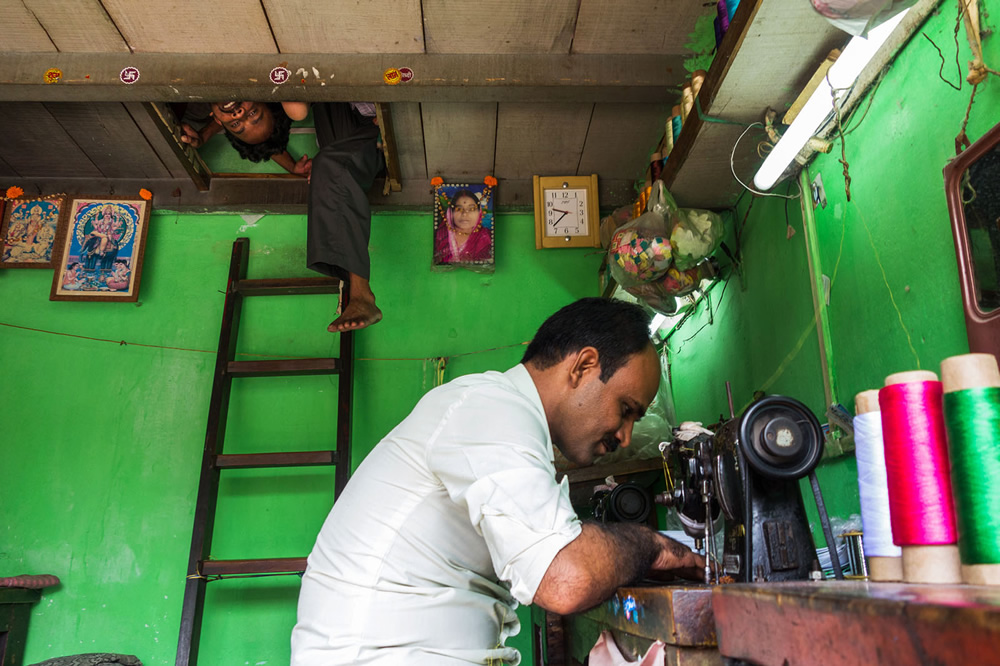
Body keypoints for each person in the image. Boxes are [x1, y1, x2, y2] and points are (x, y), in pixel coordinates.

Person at [290, 298, 704, 665]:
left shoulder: (500, 413)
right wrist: (652, 547)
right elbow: (565, 578)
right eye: (626, 409)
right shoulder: (495, 410)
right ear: (582, 366)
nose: (625, 436)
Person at [180, 101, 383, 332]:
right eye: (243, 120)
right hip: (363, 139)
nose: (240, 114)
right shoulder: (255, 106)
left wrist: (205, 133)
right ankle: (359, 292)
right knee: (327, 165)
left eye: (250, 115)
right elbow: (257, 134)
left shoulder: (272, 97)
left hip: (352, 132)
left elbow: (249, 123)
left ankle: (359, 291)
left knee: (326, 160)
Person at [434, 188, 494, 265]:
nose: (465, 214)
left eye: (472, 209)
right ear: (450, 212)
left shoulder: (486, 238)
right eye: (458, 209)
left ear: (479, 212)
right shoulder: (441, 235)